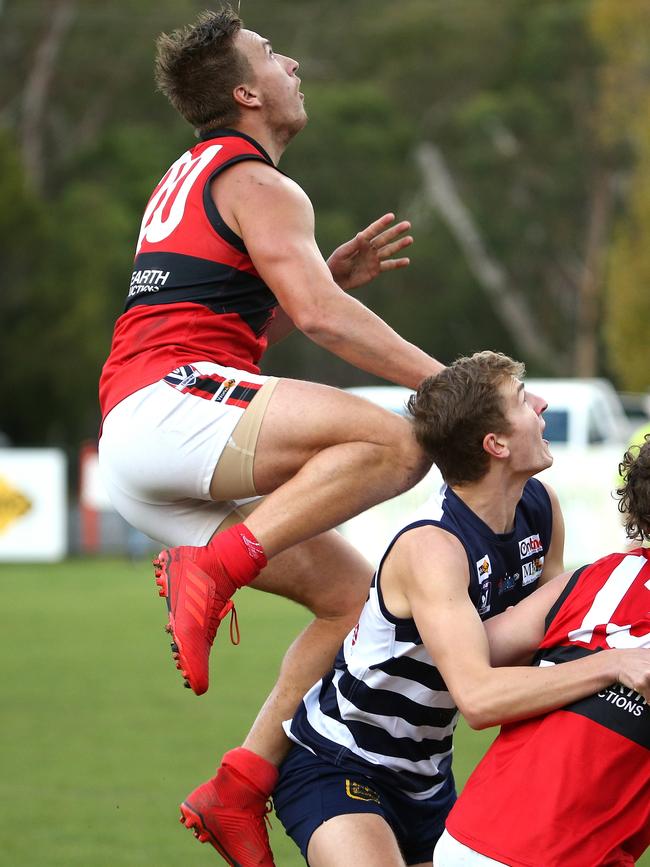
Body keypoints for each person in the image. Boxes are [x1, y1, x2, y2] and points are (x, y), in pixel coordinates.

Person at [97, 6, 443, 865]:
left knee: (358, 606)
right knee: (403, 442)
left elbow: (228, 330)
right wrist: (454, 384)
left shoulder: (196, 173)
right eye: (271, 55)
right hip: (168, 407)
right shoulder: (260, 182)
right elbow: (324, 319)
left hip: (152, 435)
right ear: (248, 92)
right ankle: (211, 568)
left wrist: (315, 285)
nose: (291, 62)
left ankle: (240, 783)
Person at [272, 351, 650, 867]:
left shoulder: (540, 505)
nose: (541, 404)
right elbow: (479, 698)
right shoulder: (434, 548)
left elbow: (554, 642)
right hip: (344, 763)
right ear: (495, 444)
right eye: (522, 399)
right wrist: (614, 662)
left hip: (427, 777)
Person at [435, 434, 650, 867]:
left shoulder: (598, 576)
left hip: (469, 836)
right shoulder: (594, 575)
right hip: (555, 854)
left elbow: (477, 649)